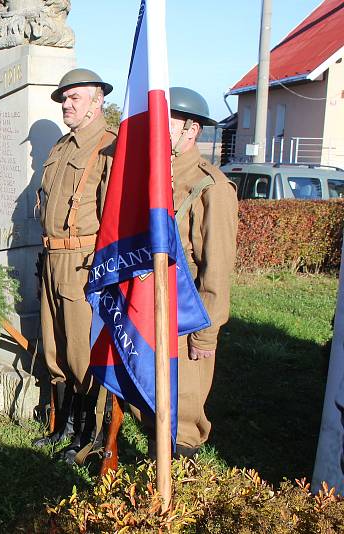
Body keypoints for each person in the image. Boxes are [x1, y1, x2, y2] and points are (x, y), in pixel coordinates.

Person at [33, 68, 117, 465]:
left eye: (75, 97)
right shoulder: (61, 148)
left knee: (83, 352)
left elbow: (114, 220)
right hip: (51, 258)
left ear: (97, 101)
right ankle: (63, 426)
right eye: (64, 98)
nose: (66, 104)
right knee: (54, 349)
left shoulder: (108, 148)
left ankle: (90, 436)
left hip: (83, 263)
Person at [151, 87, 238, 458]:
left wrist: (206, 334)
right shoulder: (155, 178)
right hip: (152, 302)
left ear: (192, 129)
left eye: (167, 121)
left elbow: (216, 270)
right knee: (153, 396)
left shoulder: (211, 187)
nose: (158, 127)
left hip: (188, 312)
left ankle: (180, 491)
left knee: (184, 409)